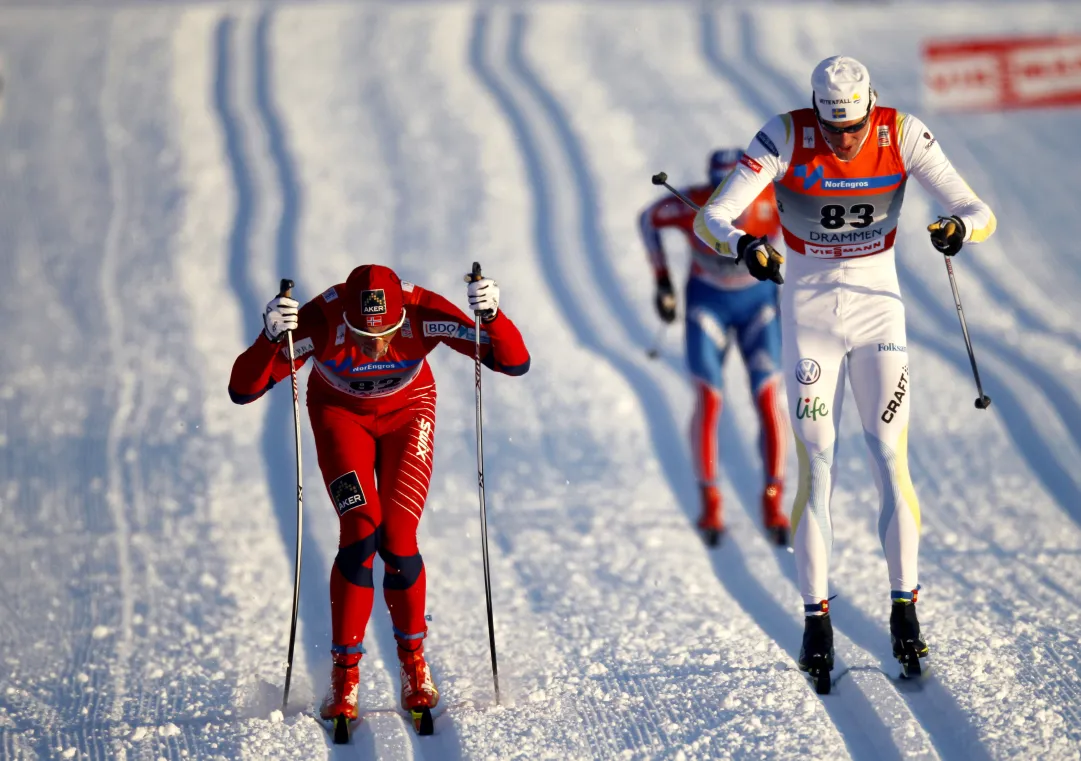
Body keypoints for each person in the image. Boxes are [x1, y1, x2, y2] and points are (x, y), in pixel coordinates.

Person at [694, 55, 996, 688]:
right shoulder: (783, 134)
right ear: (815, 111)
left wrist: (956, 228)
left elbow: (978, 210)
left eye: (852, 128)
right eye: (832, 130)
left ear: (871, 105)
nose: (843, 141)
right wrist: (745, 245)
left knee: (890, 457)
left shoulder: (901, 132)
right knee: (819, 465)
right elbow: (710, 218)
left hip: (878, 315)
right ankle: (815, 619)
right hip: (809, 320)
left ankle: (905, 610)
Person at [228, 264, 530, 721]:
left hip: (409, 411)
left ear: (401, 317)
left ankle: (414, 667)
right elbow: (242, 390)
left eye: (387, 332)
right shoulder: (320, 319)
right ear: (345, 317)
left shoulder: (424, 310)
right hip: (339, 415)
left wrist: (492, 317)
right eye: (363, 335)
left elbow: (512, 362)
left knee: (398, 538)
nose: (376, 346)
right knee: (360, 530)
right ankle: (343, 677)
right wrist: (268, 340)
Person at [639, 149, 790, 548]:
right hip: (708, 305)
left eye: (741, 186)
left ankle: (773, 501)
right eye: (721, 189)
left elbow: (814, 224)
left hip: (758, 307)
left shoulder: (774, 199)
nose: (731, 198)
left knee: (767, 397)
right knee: (708, 399)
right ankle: (710, 502)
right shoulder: (692, 203)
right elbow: (649, 219)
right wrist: (662, 281)